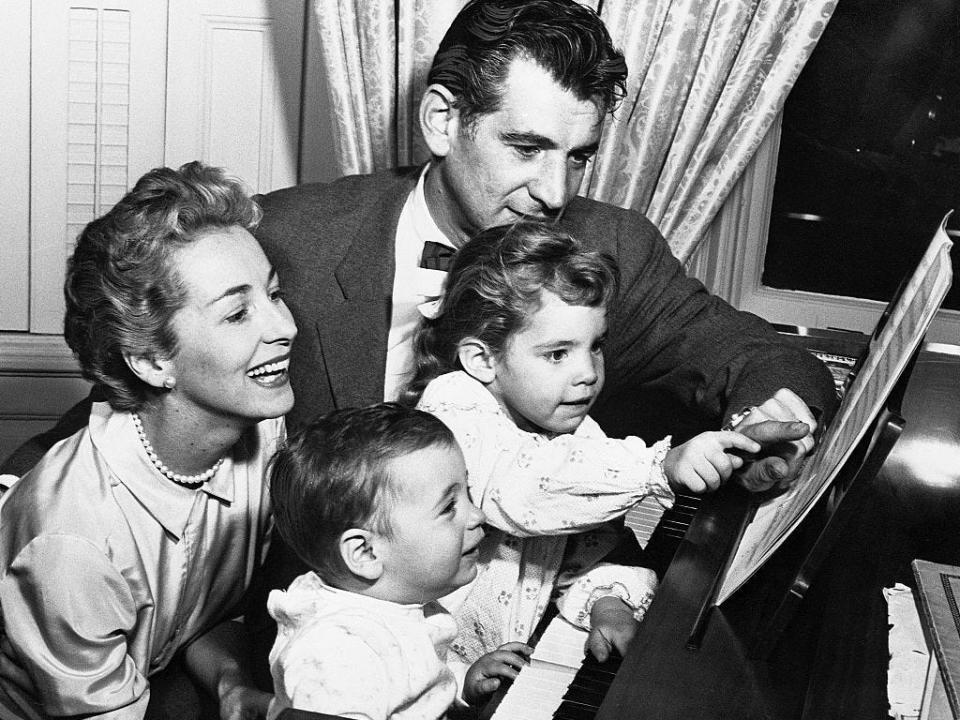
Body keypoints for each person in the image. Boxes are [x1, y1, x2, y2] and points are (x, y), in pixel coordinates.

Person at [0, 0, 838, 687]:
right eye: (525, 147)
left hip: (490, 643)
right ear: (443, 118)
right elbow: (135, 395)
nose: (554, 192)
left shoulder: (606, 250)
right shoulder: (290, 239)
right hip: (288, 644)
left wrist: (778, 411)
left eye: (578, 157)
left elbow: (754, 353)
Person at [0, 162, 295, 720]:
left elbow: (203, 620)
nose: (285, 327)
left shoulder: (262, 436)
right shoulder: (73, 537)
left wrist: (231, 686)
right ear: (152, 361)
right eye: (238, 313)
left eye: (273, 294)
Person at [406, 221, 766, 665]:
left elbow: (585, 542)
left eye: (595, 346)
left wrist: (607, 602)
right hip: (419, 667)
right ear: (482, 360)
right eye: (558, 353)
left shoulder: (571, 425)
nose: (588, 373)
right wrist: (660, 468)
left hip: (491, 664)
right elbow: (524, 492)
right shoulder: (453, 408)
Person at [265, 403, 532, 719]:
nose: (478, 515)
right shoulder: (339, 653)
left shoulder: (392, 599)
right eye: (449, 508)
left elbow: (412, 684)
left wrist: (461, 683)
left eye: (468, 493)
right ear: (365, 554)